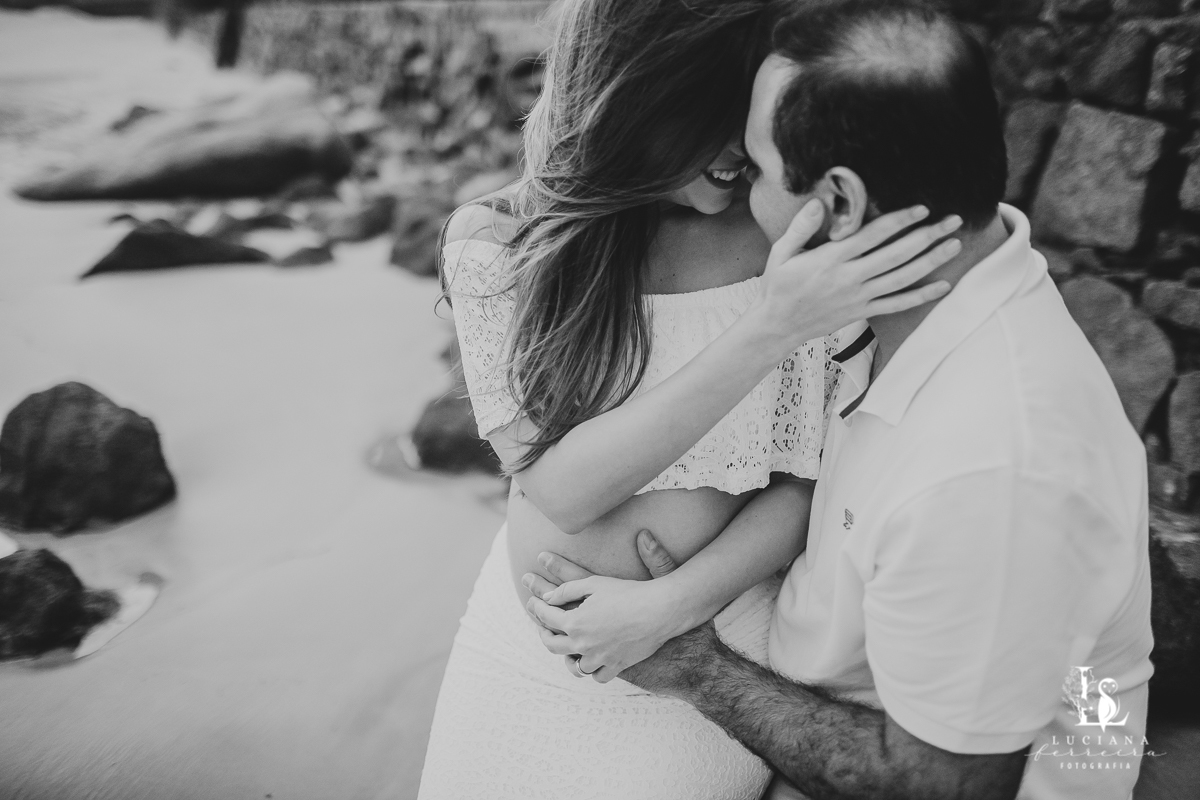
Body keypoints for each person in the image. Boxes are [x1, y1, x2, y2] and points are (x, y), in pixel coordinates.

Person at [525, 2, 1155, 799]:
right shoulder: (920, 290)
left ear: (843, 204)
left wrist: (697, 671)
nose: (739, 189)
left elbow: (941, 784)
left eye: (757, 170)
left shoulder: (992, 467)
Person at [416, 1, 962, 798]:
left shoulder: (777, 237)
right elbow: (561, 489)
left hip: (708, 650)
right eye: (717, 109)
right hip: (519, 656)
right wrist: (770, 328)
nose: (746, 146)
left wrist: (672, 609)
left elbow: (808, 482)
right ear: (634, 95)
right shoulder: (500, 239)